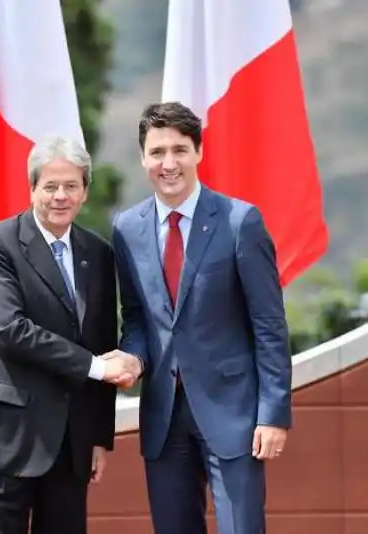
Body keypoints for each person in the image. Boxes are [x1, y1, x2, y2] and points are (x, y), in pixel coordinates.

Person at [109, 101, 293, 534]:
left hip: (235, 415)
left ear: (198, 153)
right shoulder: (126, 228)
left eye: (179, 150)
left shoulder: (239, 221)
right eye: (157, 152)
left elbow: (269, 324)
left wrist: (273, 413)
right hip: (162, 417)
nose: (168, 163)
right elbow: (136, 317)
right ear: (142, 158)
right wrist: (133, 359)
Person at [0, 136, 138, 534]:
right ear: (32, 189)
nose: (60, 196)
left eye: (71, 186)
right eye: (50, 186)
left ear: (85, 192)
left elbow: (102, 341)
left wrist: (98, 438)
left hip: (70, 445)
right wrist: (93, 367)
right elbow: (10, 330)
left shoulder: (98, 253)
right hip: (7, 439)